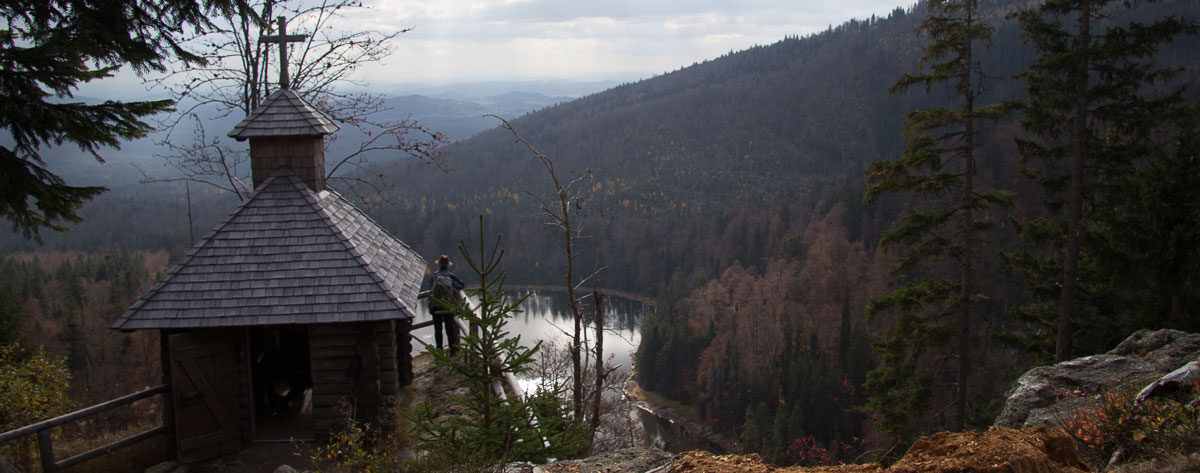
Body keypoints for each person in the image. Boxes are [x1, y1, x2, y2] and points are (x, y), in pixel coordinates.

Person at [428, 254, 465, 355]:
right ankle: (452, 351)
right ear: (447, 265)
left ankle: (439, 350)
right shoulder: (450, 276)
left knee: (438, 329)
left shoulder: (435, 276)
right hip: (447, 306)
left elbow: (431, 288)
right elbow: (461, 285)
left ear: (439, 265)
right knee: (449, 329)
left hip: (435, 306)